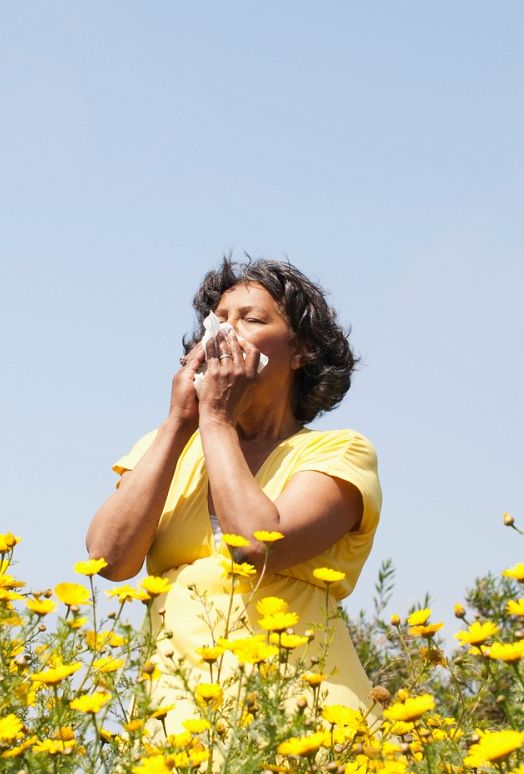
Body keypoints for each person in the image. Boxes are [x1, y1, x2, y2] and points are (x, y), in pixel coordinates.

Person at [85, 257, 383, 734]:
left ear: (301, 350)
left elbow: (258, 545)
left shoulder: (338, 451)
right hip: (177, 723)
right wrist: (181, 422)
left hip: (301, 720)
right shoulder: (168, 447)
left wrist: (218, 419)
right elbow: (107, 560)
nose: (226, 332)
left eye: (251, 319)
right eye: (219, 319)